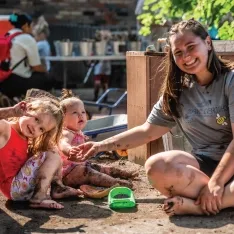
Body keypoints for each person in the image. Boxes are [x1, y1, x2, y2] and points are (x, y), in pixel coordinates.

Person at [74, 19, 234, 216]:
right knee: (156, 167)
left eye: (191, 47)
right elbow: (147, 132)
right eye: (178, 53)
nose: (186, 57)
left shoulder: (230, 81)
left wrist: (216, 183)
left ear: (208, 43)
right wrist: (100, 146)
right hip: (205, 165)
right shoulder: (177, 92)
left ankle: (200, 205)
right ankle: (220, 196)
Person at [0, 97, 81, 209]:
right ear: (28, 109)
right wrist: (11, 112)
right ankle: (39, 198)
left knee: (52, 150)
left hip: (22, 189)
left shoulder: (25, 138)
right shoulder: (6, 130)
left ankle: (57, 186)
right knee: (50, 153)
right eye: (37, 120)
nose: (35, 128)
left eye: (41, 129)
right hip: (13, 188)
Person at [58, 89, 137, 190]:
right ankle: (116, 183)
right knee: (92, 174)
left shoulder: (76, 131)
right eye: (75, 112)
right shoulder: (66, 132)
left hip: (78, 167)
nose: (81, 115)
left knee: (99, 168)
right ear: (62, 118)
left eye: (83, 112)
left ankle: (123, 174)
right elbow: (62, 143)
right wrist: (69, 150)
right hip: (68, 173)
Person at [0, 13, 52, 100]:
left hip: (3, 80)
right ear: (25, 25)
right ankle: (28, 100)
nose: (32, 29)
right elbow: (36, 67)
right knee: (47, 79)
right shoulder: (27, 38)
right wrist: (46, 71)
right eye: (31, 25)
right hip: (16, 82)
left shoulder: (7, 35)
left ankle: (10, 97)